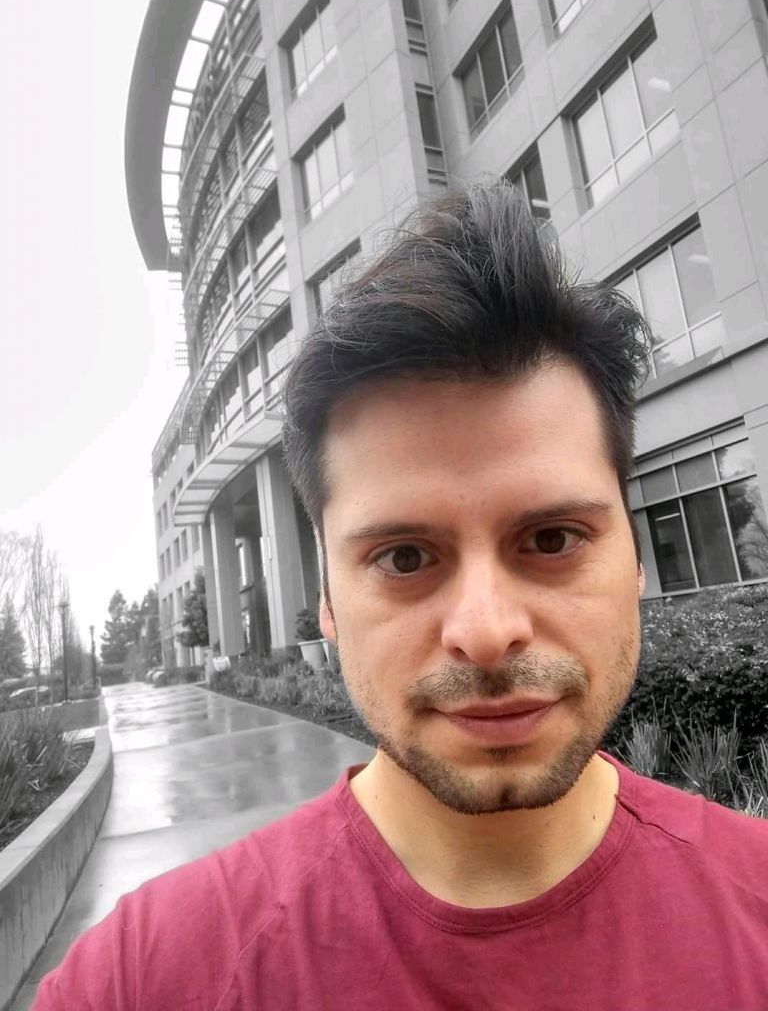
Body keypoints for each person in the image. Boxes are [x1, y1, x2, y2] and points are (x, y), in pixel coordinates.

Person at [33, 181, 768, 1010]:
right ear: (327, 602)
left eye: (552, 540)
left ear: (634, 562)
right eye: (405, 556)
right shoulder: (145, 980)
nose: (486, 632)